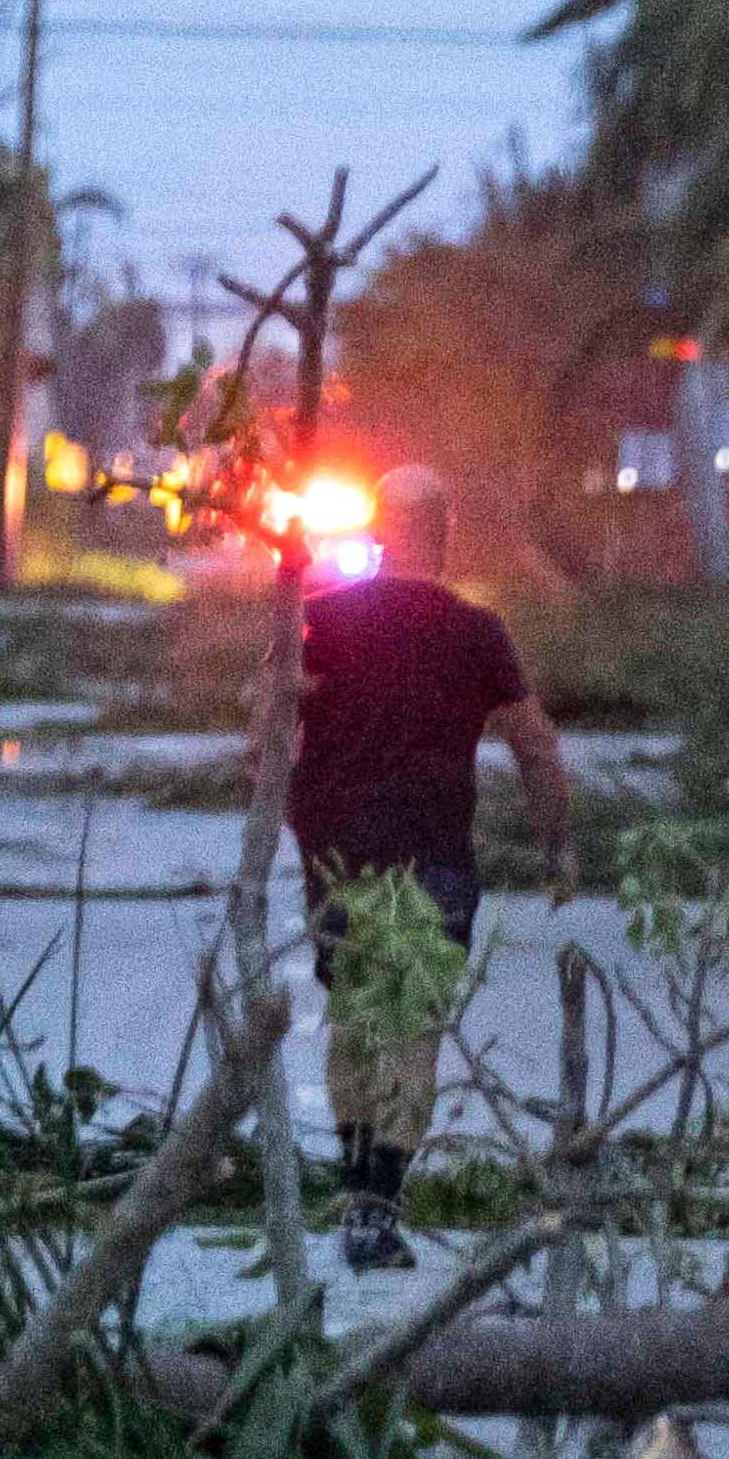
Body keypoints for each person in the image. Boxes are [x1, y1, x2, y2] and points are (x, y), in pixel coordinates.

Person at [288, 463, 571, 1269]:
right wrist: (559, 844)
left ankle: (356, 1180)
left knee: (351, 1020)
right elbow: (535, 744)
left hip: (338, 858)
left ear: (380, 529)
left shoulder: (319, 622)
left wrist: (288, 822)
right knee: (411, 1029)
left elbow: (269, 727)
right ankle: (377, 1205)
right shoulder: (477, 630)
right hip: (436, 859)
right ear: (444, 535)